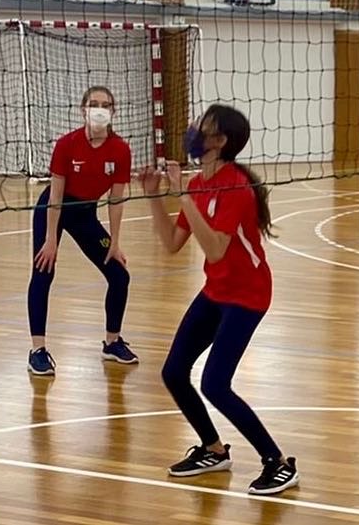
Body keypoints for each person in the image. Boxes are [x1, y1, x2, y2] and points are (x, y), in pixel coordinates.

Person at [142, 104, 298, 497]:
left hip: (248, 295)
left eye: (203, 128)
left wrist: (182, 194)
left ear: (220, 141)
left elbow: (213, 248)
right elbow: (172, 244)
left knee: (215, 383)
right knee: (174, 372)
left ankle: (277, 463)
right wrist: (155, 198)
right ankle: (213, 449)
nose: (193, 131)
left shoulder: (236, 188)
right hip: (216, 291)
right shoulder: (197, 185)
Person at [27, 85, 135, 375]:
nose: (99, 109)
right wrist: (51, 240)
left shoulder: (121, 150)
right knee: (43, 271)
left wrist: (115, 242)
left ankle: (112, 343)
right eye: (94, 103)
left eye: (105, 104)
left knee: (119, 275)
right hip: (54, 210)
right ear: (83, 109)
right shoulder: (67, 144)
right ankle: (37, 350)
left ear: (113, 112)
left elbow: (115, 199)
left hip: (85, 213)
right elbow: (55, 197)